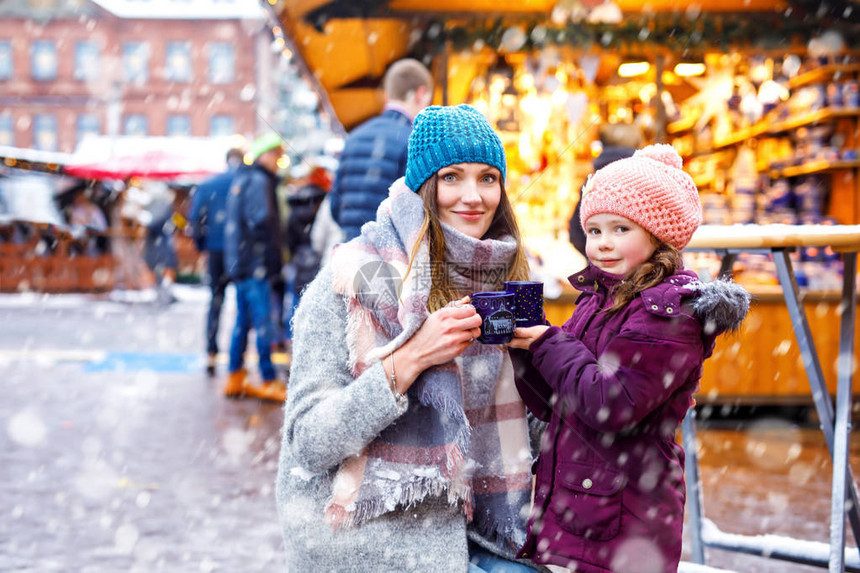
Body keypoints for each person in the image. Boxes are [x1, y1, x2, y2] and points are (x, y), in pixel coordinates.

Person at [276, 104, 547, 573]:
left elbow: (532, 436)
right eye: (451, 177)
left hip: (481, 527)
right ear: (425, 187)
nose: (473, 196)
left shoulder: (501, 282)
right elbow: (310, 442)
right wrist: (410, 361)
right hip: (370, 539)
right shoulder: (349, 282)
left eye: (488, 178)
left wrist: (557, 365)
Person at [508, 144, 751, 573]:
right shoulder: (599, 298)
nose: (602, 244)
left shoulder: (667, 314)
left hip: (626, 517)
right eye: (595, 230)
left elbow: (609, 403)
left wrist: (547, 344)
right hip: (584, 505)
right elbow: (557, 400)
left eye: (620, 229)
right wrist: (524, 346)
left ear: (657, 235)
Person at [329, 58, 434, 240]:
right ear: (420, 94)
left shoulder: (354, 136)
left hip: (350, 252)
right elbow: (416, 211)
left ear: (387, 95)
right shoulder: (414, 141)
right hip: (390, 256)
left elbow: (335, 205)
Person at [223, 133, 286, 402]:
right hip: (255, 264)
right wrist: (273, 261)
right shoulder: (260, 181)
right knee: (263, 323)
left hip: (240, 263)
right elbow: (263, 222)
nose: (279, 161)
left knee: (243, 321)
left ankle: (234, 376)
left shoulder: (242, 179)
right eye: (276, 155)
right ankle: (269, 379)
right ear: (264, 155)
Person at [189, 147, 244, 376]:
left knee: (216, 301)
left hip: (216, 251)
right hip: (242, 251)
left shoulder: (209, 184)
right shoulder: (247, 183)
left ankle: (211, 351)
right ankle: (236, 358)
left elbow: (195, 219)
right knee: (244, 305)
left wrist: (203, 245)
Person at [568, 122, 643, 257]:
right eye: (595, 231)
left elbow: (575, 233)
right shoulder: (645, 180)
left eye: (621, 229)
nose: (606, 244)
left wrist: (596, 260)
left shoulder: (593, 181)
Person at [282, 165, 330, 344]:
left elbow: (289, 237)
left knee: (295, 302)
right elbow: (319, 237)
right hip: (317, 260)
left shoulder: (294, 204)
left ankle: (292, 338)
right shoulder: (324, 202)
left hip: (299, 260)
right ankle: (311, 340)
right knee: (316, 300)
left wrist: (295, 253)